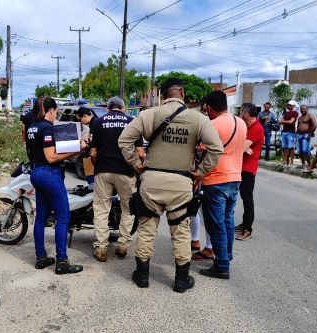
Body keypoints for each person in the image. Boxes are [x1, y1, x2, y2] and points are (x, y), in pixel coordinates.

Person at [118, 78, 223, 292]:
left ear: (163, 94)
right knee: (181, 232)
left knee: (147, 228)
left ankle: (142, 276)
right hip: (181, 182)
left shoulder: (148, 115)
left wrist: (137, 164)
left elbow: (124, 140)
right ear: (182, 92)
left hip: (152, 181)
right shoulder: (198, 118)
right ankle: (181, 280)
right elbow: (216, 149)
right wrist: (200, 172)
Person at [25, 97, 84, 274]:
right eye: (56, 111)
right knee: (63, 217)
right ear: (50, 110)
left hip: (35, 173)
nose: (56, 114)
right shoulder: (47, 128)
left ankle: (41, 258)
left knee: (41, 218)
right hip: (49, 174)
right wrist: (76, 150)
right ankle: (62, 262)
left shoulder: (32, 127)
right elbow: (51, 157)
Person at [199, 90, 247, 280]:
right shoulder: (241, 122)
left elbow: (203, 152)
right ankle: (226, 257)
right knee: (227, 220)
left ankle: (221, 266)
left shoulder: (212, 125)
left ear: (209, 107)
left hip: (216, 179)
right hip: (235, 178)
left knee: (216, 224)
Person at [89, 96, 143, 262]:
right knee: (128, 209)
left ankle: (101, 248)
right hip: (126, 171)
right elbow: (140, 153)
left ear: (108, 108)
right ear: (123, 108)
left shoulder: (97, 122)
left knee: (101, 209)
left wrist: (98, 165)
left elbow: (92, 153)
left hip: (103, 170)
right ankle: (123, 245)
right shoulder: (132, 122)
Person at [235, 103, 264, 241]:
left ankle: (248, 228)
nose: (239, 115)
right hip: (240, 166)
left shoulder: (256, 128)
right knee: (240, 197)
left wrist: (245, 147)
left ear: (245, 114)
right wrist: (246, 147)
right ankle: (244, 223)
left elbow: (240, 147)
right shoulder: (246, 127)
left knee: (247, 199)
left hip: (247, 169)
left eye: (241, 112)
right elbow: (243, 146)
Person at [77, 106, 96, 185]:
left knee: (92, 181)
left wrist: (86, 146)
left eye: (80, 119)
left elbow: (96, 143)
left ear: (85, 116)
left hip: (95, 157)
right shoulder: (93, 123)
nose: (80, 122)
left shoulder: (95, 124)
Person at [279, 100, 298, 167]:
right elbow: (280, 121)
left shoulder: (295, 112)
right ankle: (285, 161)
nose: (289, 106)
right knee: (285, 147)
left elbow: (291, 122)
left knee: (291, 147)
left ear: (293, 106)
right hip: (284, 131)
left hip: (291, 132)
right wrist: (286, 121)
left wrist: (284, 121)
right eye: (288, 105)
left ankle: (291, 162)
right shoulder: (285, 112)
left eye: (290, 105)